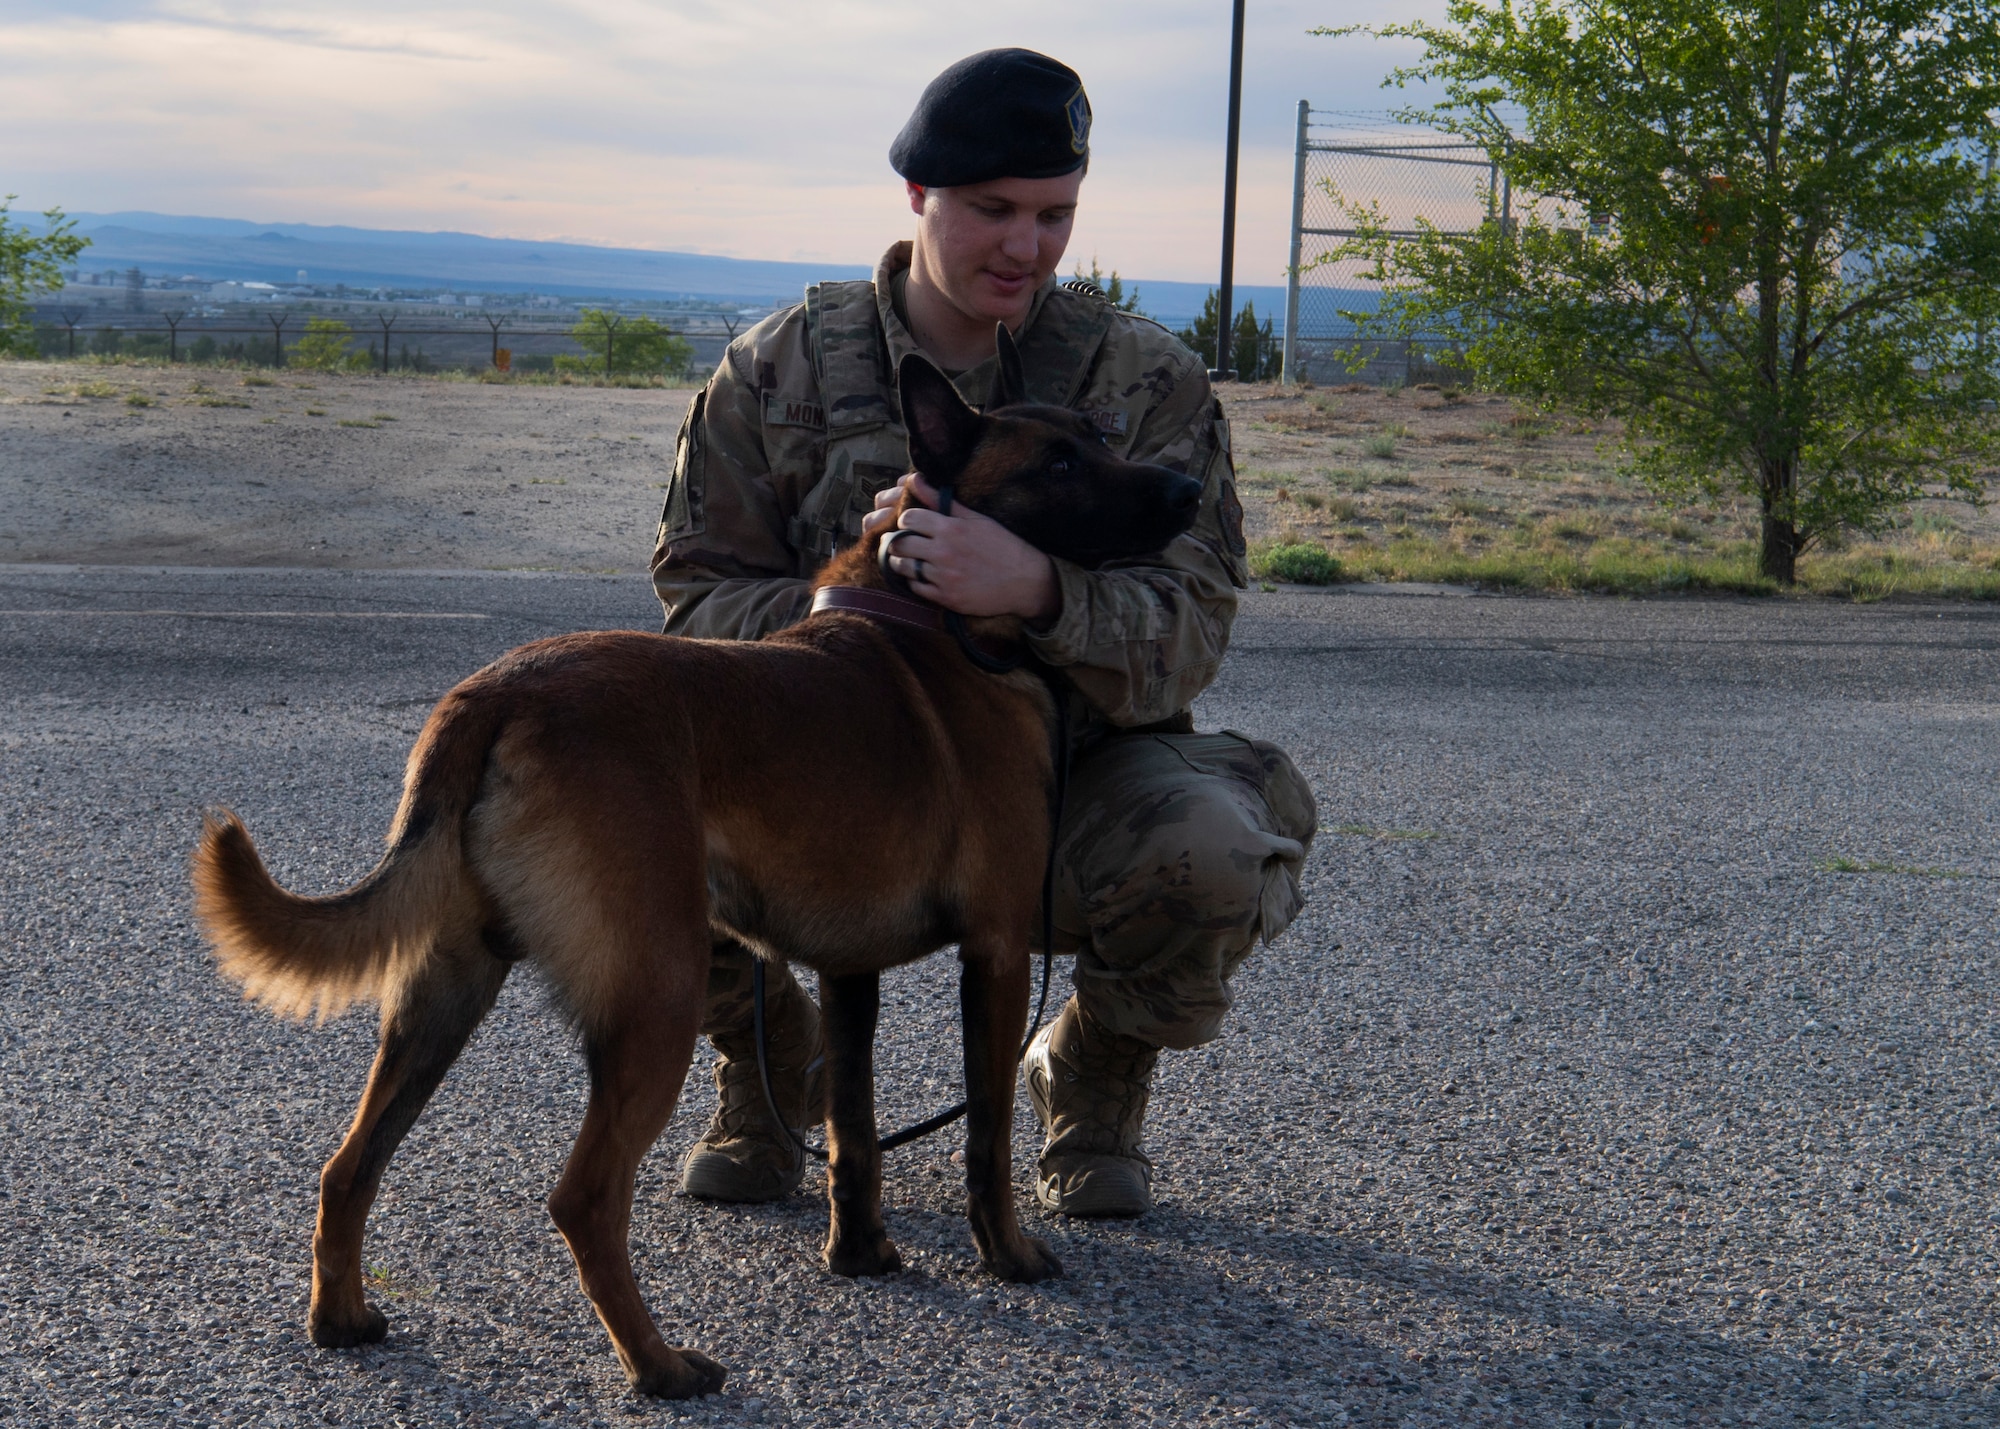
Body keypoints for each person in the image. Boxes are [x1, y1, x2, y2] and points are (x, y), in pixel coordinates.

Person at [649, 47, 1316, 1219]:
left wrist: (1038, 592)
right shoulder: (777, 371)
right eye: (992, 211)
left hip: (1055, 775)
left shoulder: (1140, 379)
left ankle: (1089, 1074)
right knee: (633, 785)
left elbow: (1192, 625)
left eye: (1054, 215)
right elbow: (697, 604)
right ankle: (763, 1070)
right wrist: (863, 592)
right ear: (918, 196)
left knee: (1214, 841)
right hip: (829, 781)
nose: (1025, 247)